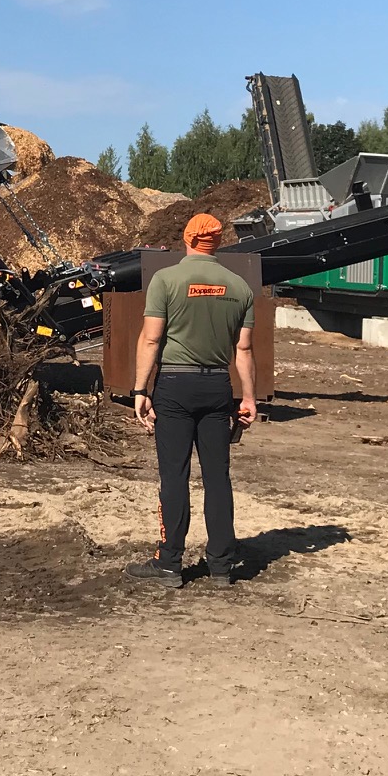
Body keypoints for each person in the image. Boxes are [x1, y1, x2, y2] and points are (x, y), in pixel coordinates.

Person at [125, 213, 258, 589]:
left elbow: (151, 340)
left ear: (187, 238)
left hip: (175, 388)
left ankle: (169, 564)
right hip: (218, 388)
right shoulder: (240, 287)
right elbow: (244, 349)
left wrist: (139, 390)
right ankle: (221, 566)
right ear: (218, 242)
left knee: (174, 475)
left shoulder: (165, 280)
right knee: (218, 478)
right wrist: (248, 397)